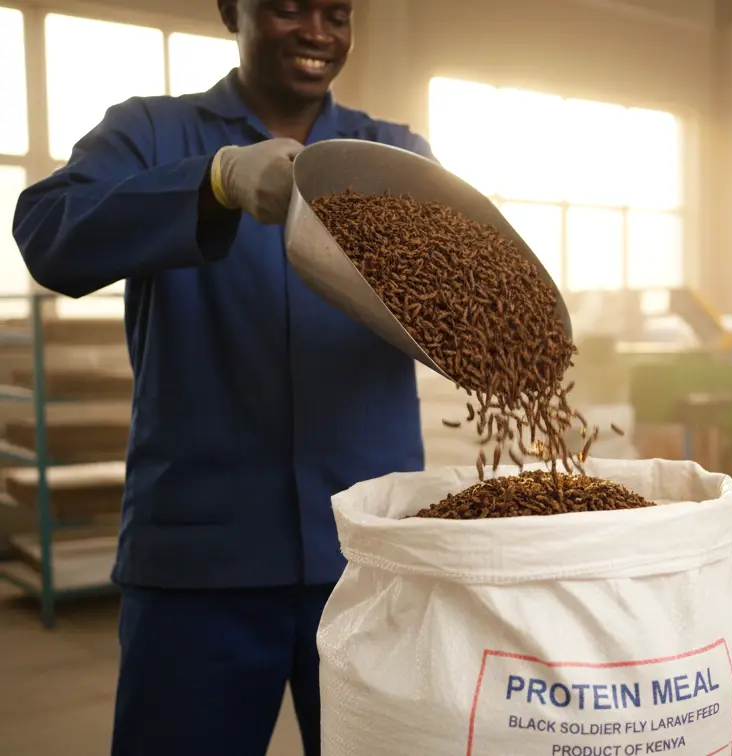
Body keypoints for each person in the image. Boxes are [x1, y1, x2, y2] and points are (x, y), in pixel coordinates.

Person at [11, 2, 436, 754]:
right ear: (232, 10)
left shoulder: (388, 152)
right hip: (199, 565)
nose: (316, 32)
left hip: (369, 561)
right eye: (286, 8)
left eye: (336, 14)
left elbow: (459, 290)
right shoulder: (151, 132)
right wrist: (213, 183)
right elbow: (48, 234)